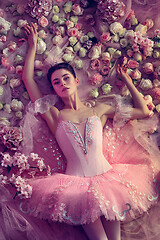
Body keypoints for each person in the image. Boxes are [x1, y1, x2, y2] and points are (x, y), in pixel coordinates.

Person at [21, 22, 159, 240]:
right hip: (76, 189)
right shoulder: (54, 115)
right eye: (56, 82)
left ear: (76, 81)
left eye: (66, 78)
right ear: (54, 89)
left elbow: (143, 111)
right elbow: (28, 80)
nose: (62, 83)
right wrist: (32, 46)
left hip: (109, 181)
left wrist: (127, 80)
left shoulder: (100, 110)